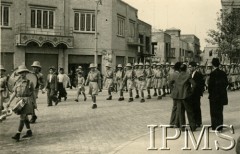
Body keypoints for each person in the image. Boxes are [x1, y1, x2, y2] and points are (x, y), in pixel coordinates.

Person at [6, 65, 36, 141]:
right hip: (19, 101)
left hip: (27, 101)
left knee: (22, 117)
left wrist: (34, 103)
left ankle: (18, 134)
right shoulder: (17, 83)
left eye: (23, 72)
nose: (22, 74)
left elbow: (33, 94)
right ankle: (29, 131)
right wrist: (9, 102)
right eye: (20, 73)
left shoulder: (30, 82)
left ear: (26, 73)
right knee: (25, 117)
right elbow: (14, 93)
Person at [171, 64, 196, 131]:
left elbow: (170, 83)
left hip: (178, 96)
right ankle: (192, 126)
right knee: (189, 112)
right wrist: (190, 91)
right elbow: (194, 84)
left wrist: (174, 90)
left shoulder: (176, 76)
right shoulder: (188, 75)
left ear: (180, 69)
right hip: (186, 96)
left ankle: (182, 127)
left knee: (181, 112)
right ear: (185, 69)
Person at [208, 58, 228, 132]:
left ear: (213, 64)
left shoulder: (212, 73)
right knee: (220, 111)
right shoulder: (223, 73)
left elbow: (210, 86)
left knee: (213, 112)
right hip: (221, 95)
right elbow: (226, 83)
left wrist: (211, 92)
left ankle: (215, 127)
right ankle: (220, 127)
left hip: (214, 95)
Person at [188, 61, 205, 128]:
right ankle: (193, 121)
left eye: (191, 67)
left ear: (194, 67)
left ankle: (198, 122)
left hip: (196, 94)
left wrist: (199, 92)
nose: (190, 68)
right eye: (189, 67)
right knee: (192, 107)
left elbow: (201, 84)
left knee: (197, 107)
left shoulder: (198, 74)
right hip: (191, 94)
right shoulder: (190, 74)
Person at [169, 62, 182, 127]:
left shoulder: (173, 74)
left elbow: (170, 84)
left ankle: (172, 122)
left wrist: (173, 90)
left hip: (175, 93)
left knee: (175, 107)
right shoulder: (177, 74)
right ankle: (176, 123)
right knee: (178, 107)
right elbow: (171, 84)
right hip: (179, 93)